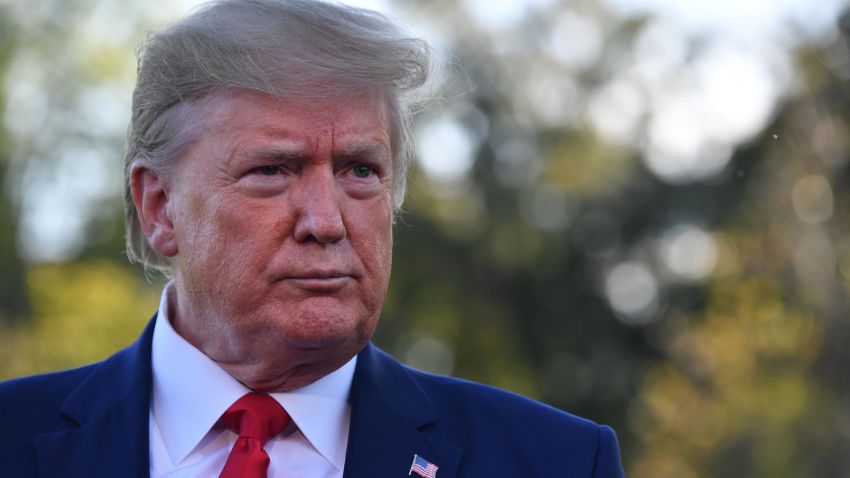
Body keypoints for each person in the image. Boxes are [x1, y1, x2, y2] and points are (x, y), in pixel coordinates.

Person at [0, 0, 625, 476]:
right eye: (272, 171)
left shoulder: (557, 461)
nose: (326, 221)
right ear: (160, 208)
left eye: (360, 170)